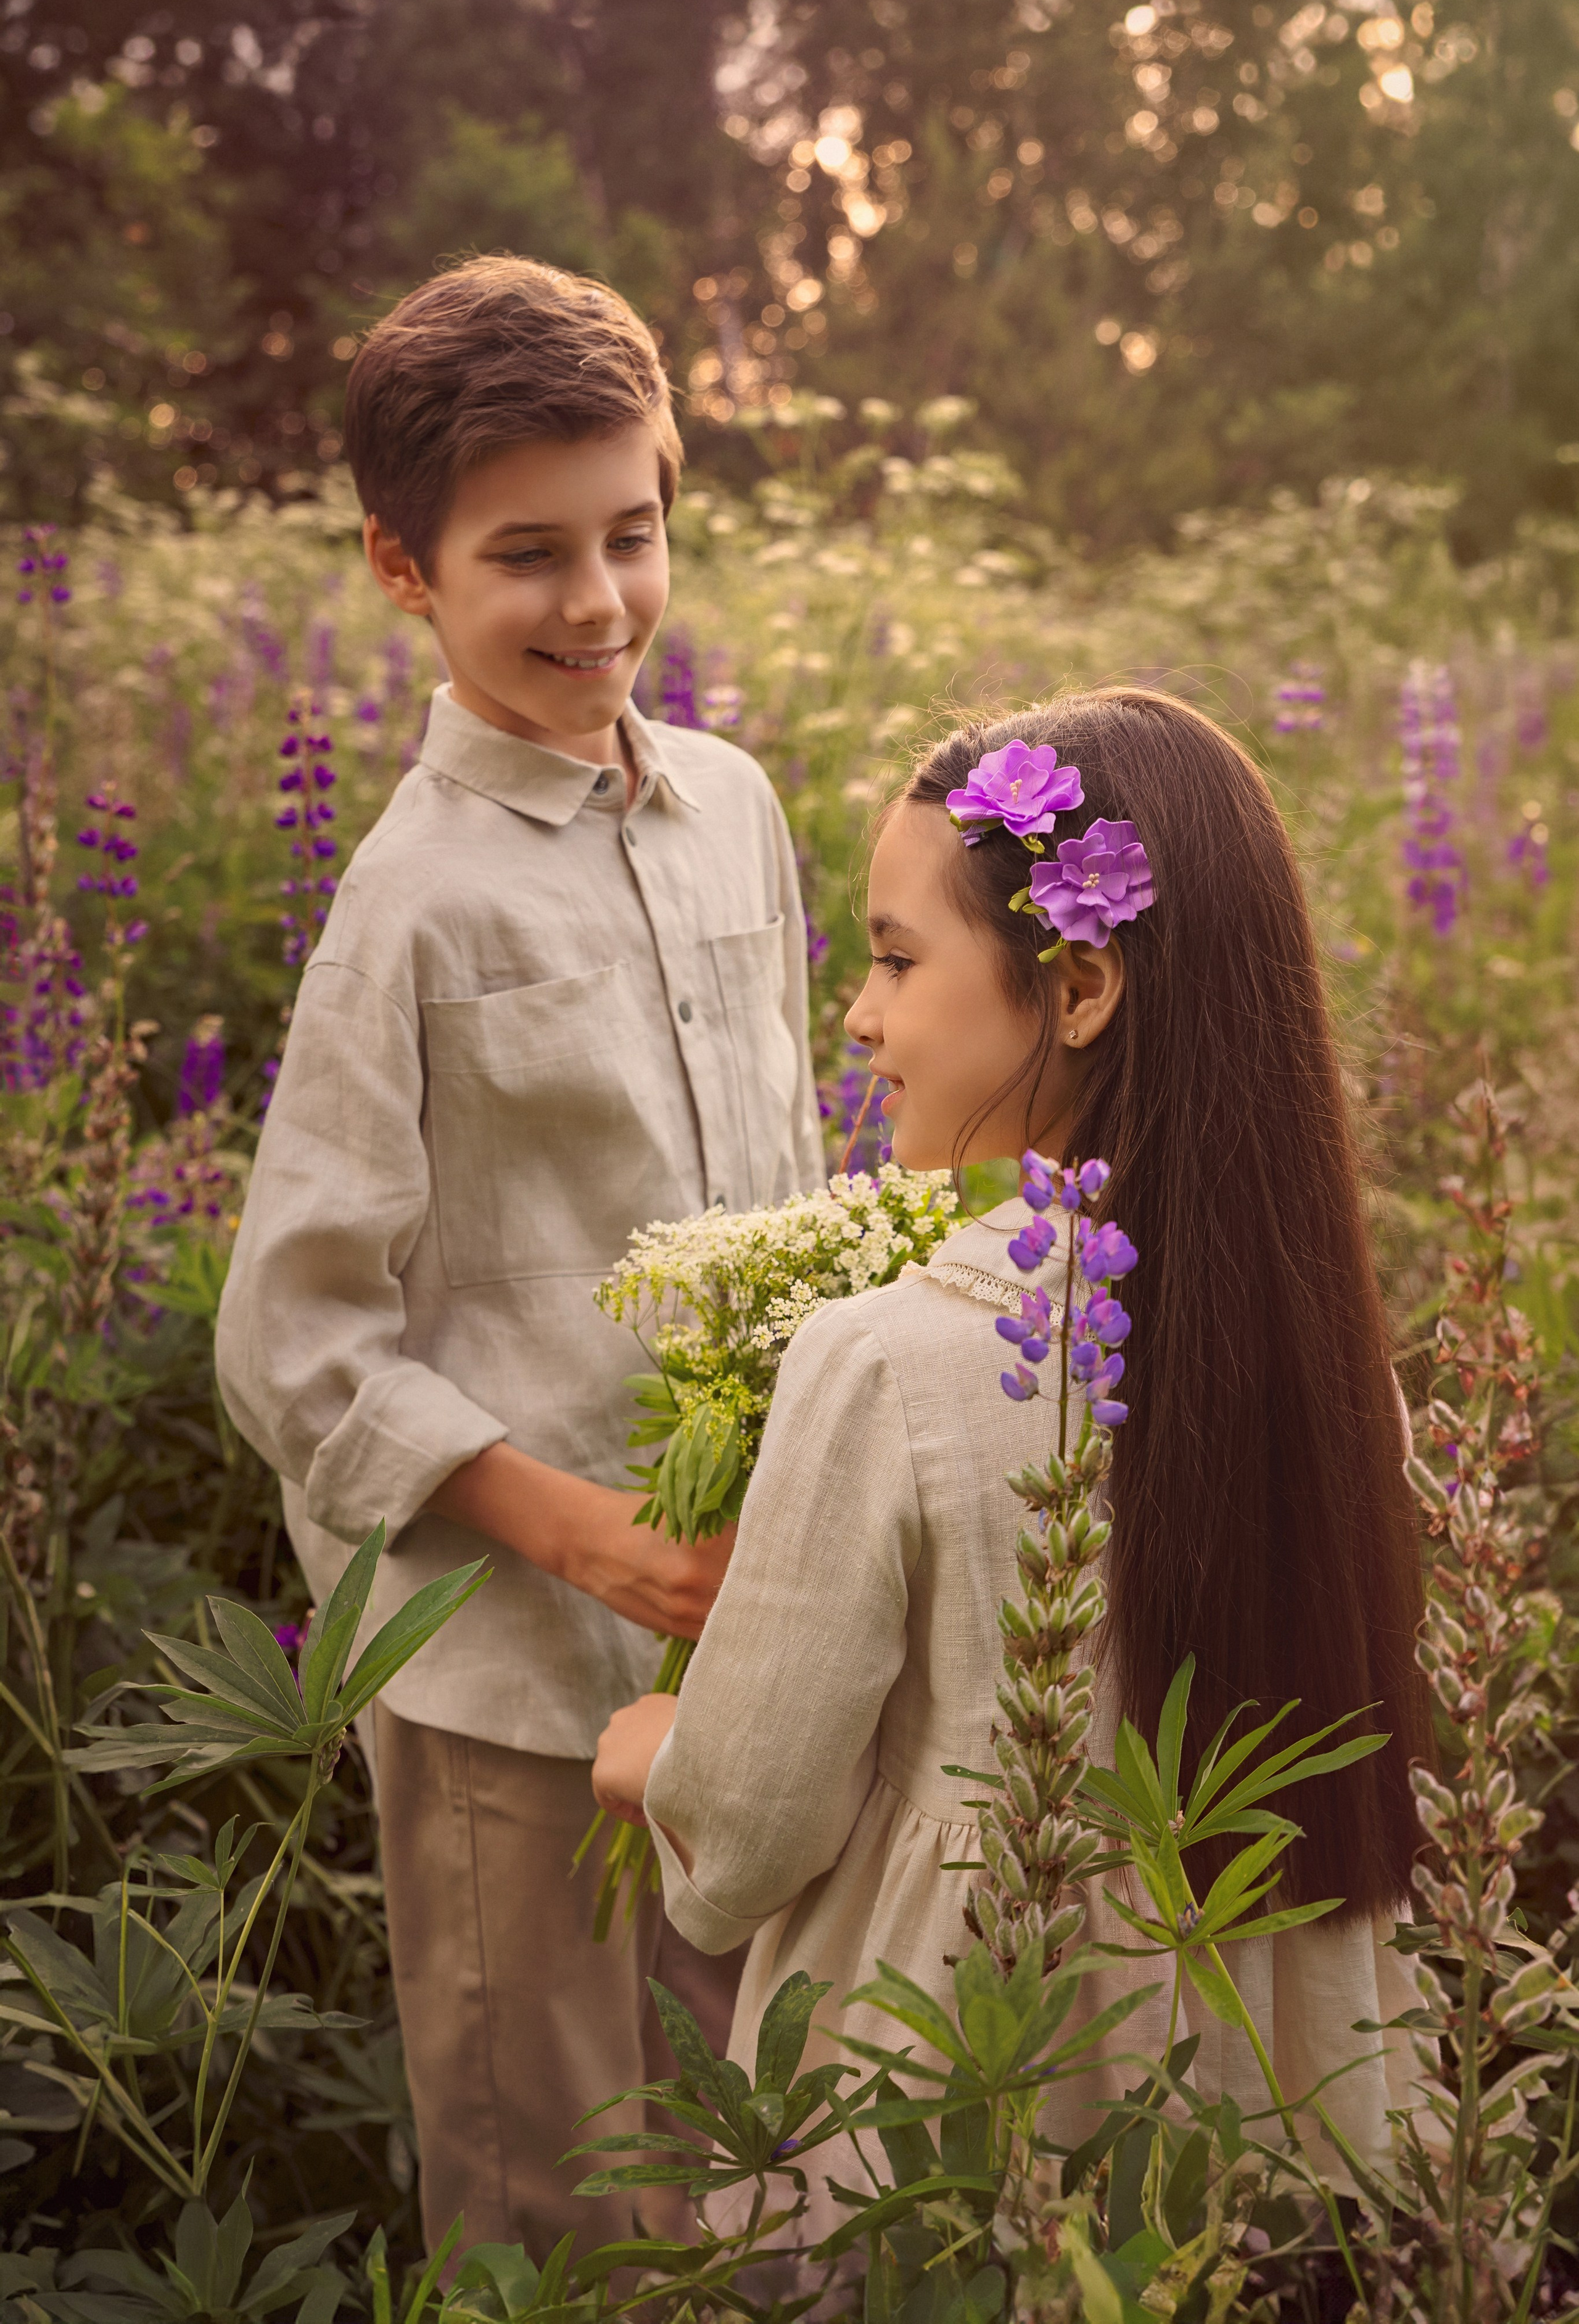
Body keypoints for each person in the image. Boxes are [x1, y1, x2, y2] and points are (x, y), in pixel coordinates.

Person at [592, 689, 1434, 2232]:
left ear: (1080, 985)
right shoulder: (1336, 1371)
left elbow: (749, 1831)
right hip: (1273, 2119)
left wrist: (653, 1751)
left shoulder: (884, 1362)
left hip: (961, 2120)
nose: (860, 1018)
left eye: (897, 960)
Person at [215, 254, 824, 2261]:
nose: (597, 602)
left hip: (747, 1639)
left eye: (631, 534)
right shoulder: (411, 902)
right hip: (508, 1681)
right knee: (561, 2203)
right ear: (404, 568)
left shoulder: (735, 814)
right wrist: (583, 1539)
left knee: (763, 2159)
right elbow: (295, 1345)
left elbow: (799, 1188)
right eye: (527, 556)